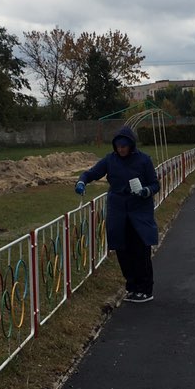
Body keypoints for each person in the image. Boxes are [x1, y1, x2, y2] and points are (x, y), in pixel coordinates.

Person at [75, 125, 160, 303]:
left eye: (124, 146)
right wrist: (82, 181)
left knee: (140, 250)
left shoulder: (143, 160)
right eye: (118, 146)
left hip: (139, 211)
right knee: (122, 250)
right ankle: (132, 286)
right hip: (118, 211)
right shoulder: (110, 160)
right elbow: (92, 173)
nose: (121, 149)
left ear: (131, 145)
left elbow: (155, 184)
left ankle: (145, 289)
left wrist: (145, 191)